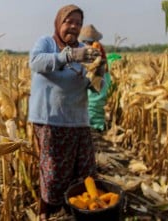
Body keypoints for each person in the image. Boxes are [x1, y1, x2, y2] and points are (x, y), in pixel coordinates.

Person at [28, 4, 101, 220]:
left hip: (78, 121)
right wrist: (68, 56)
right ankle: (48, 211)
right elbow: (35, 63)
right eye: (69, 21)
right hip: (50, 121)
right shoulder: (47, 43)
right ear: (59, 22)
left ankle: (78, 209)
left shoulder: (86, 52)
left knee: (85, 170)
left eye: (78, 23)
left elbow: (95, 87)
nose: (74, 27)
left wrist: (100, 71)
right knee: (53, 172)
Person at [78, 24, 110, 132]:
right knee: (96, 102)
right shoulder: (96, 47)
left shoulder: (94, 48)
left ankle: (95, 126)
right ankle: (97, 125)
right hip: (102, 75)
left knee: (94, 101)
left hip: (98, 75)